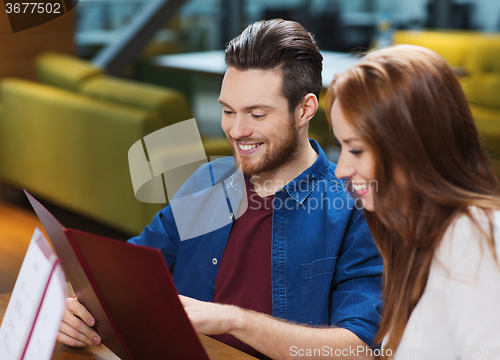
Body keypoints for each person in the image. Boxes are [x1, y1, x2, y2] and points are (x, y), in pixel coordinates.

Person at [59, 19, 383, 359]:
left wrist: (235, 321)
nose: (237, 130)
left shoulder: (355, 206)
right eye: (228, 111)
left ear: (305, 109)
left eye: (257, 114)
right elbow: (121, 276)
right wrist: (77, 310)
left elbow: (358, 348)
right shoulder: (207, 181)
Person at [326, 44, 500, 360]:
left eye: (356, 150)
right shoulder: (415, 234)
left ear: (410, 146)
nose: (341, 170)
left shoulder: (473, 236)